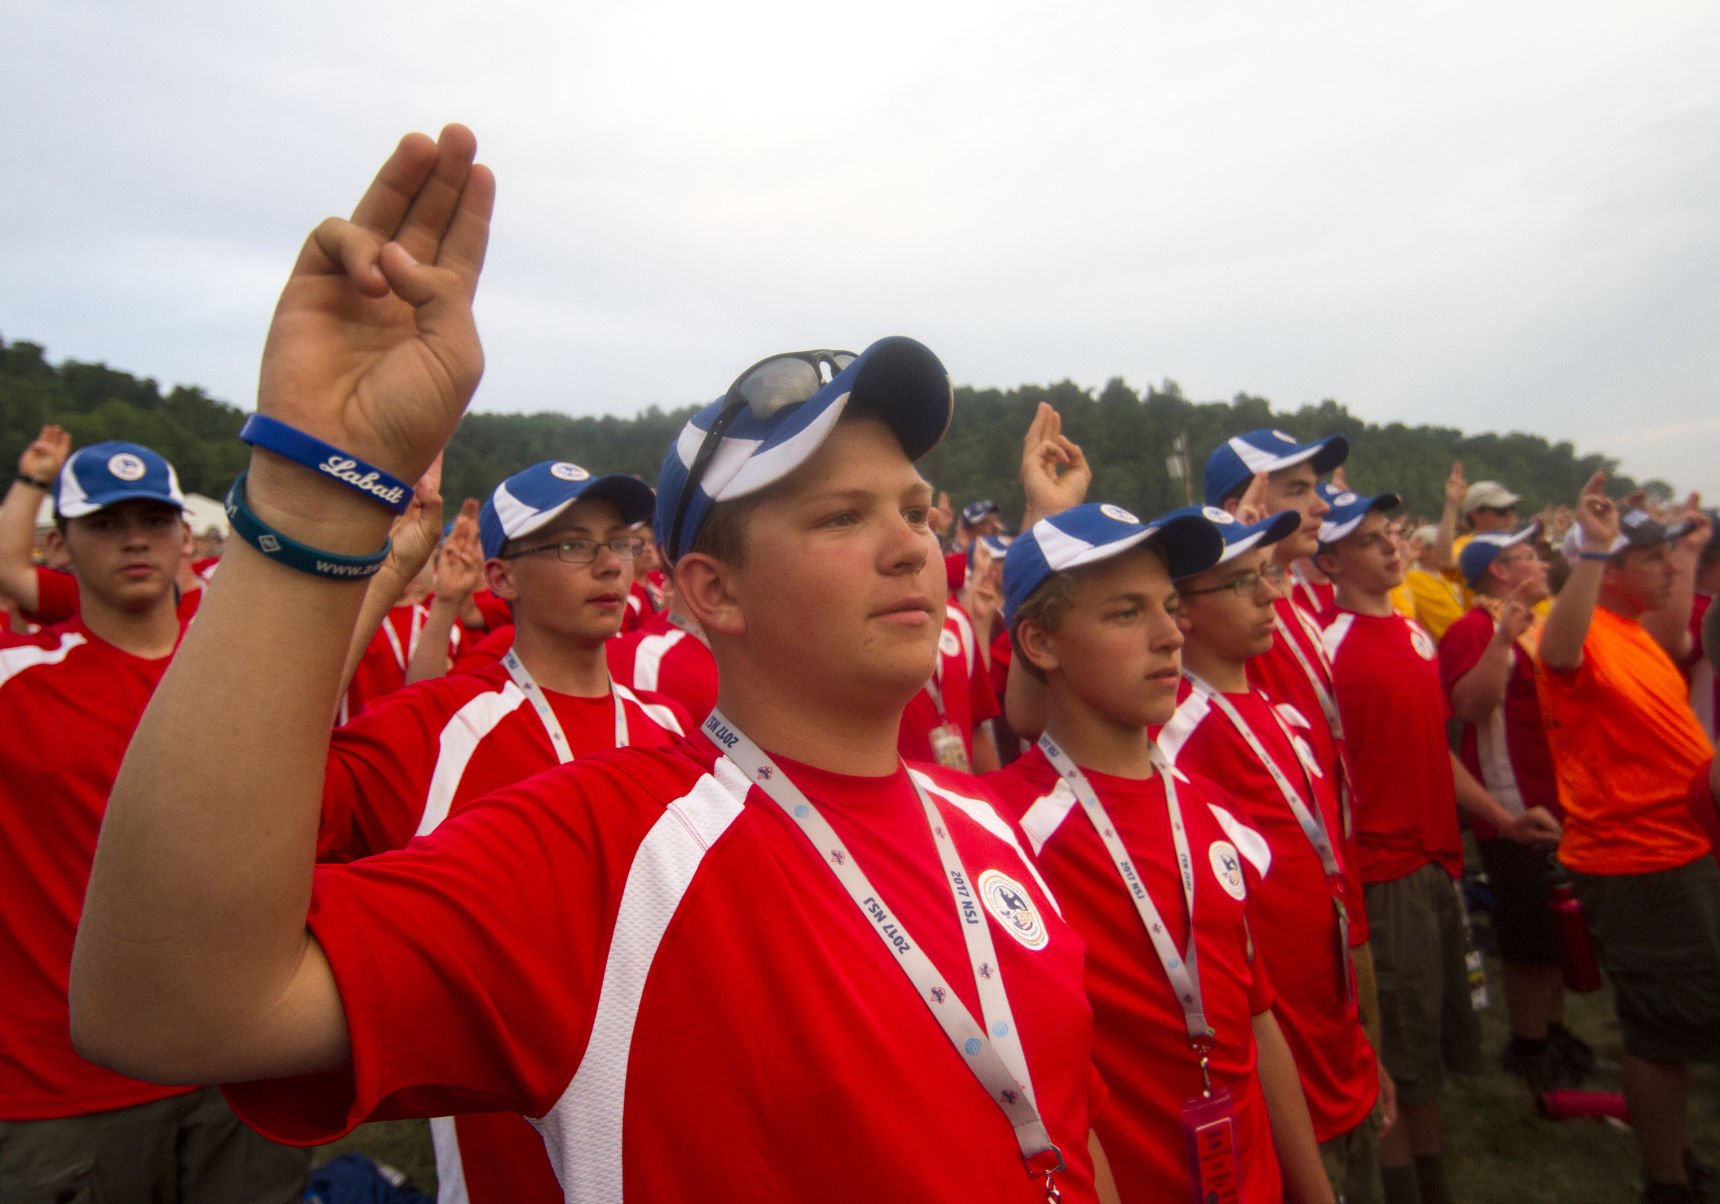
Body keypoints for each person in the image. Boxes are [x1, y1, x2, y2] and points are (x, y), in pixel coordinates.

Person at [71, 126, 1113, 1203]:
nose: (910, 544)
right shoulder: (606, 856)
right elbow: (168, 999)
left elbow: (1059, 1130)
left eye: (910, 507)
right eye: (842, 515)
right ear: (711, 591)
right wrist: (309, 494)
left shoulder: (987, 830)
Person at [987, 501, 1335, 1203]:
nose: (1171, 635)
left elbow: (1255, 1025)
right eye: (1126, 613)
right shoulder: (1002, 835)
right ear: (1042, 644)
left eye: (1171, 606)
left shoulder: (1208, 812)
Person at [0, 440, 308, 1201]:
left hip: (238, 1066)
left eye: (152, 519)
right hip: (65, 1093)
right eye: (106, 524)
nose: (135, 539)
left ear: (183, 537)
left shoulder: (246, 673)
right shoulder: (16, 686)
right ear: (57, 545)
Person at [1314, 487, 1560, 1204]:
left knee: (1431, 1055)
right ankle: (1403, 1187)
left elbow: (1434, 750)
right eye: (1368, 540)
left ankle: (1434, 1178)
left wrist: (1501, 820)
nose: (1392, 545)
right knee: (1397, 1053)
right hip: (1383, 879)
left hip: (1437, 864)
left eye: (1390, 531)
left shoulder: (1416, 634)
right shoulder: (1328, 650)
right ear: (1329, 561)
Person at [1157, 505, 1390, 1204]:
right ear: (1183, 613)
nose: (1272, 594)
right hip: (1274, 1063)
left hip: (1335, 1033)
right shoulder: (1170, 740)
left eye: (1268, 574)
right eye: (1242, 582)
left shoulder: (1285, 716)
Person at [1536, 474, 1719, 1204]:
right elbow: (1555, 651)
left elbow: (1680, 631)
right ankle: (1667, 1183)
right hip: (1640, 865)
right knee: (1661, 1033)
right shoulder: (1581, 638)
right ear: (1609, 572)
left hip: (1684, 850)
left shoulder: (1636, 632)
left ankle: (1673, 1159)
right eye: (1654, 561)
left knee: (1680, 1022)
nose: (1672, 570)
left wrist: (1690, 541)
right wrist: (1596, 547)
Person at [1438, 524, 1592, 1089]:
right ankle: (1528, 1042)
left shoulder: (1542, 626)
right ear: (1499, 572)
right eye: (1528, 555)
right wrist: (1500, 641)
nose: (1543, 562)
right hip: (1511, 803)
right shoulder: (1470, 630)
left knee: (1559, 931)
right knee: (1529, 937)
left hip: (1558, 798)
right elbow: (1470, 708)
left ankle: (1553, 1027)